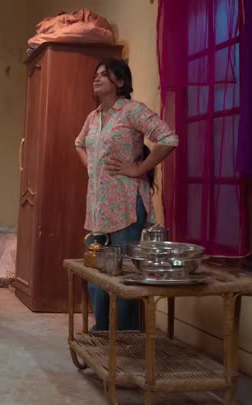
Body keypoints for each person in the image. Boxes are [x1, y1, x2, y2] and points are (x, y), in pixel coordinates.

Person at [74, 59, 179, 331]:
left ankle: (123, 340)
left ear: (120, 82)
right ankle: (103, 335)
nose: (97, 78)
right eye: (95, 74)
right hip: (98, 208)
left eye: (104, 74)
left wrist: (139, 169)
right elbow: (79, 144)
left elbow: (168, 139)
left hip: (125, 206)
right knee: (98, 276)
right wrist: (92, 169)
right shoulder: (93, 117)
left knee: (122, 278)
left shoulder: (133, 111)